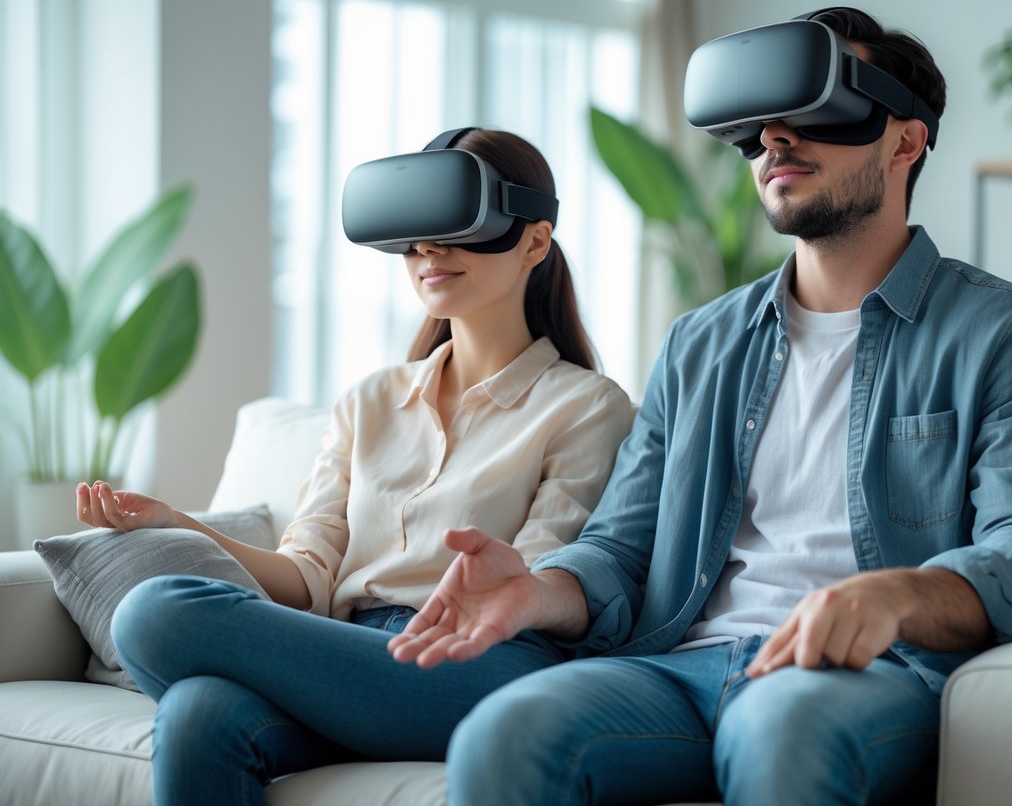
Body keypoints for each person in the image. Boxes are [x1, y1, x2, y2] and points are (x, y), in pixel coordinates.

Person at [388, 8, 1012, 805]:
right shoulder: (700, 341)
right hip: (677, 667)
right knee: (502, 730)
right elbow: (623, 545)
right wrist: (538, 591)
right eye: (759, 126)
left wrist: (893, 594)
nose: (774, 141)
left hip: (857, 674)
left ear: (904, 140)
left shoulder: (1007, 330)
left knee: (781, 729)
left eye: (816, 112)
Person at [76, 128, 635, 805]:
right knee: (199, 712)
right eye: (416, 232)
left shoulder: (584, 407)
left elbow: (541, 585)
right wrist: (178, 525)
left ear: (534, 242)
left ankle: (362, 707)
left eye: (457, 227)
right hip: (347, 653)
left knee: (154, 614)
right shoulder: (369, 401)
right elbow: (308, 576)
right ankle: (357, 711)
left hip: (483, 662)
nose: (427, 249)